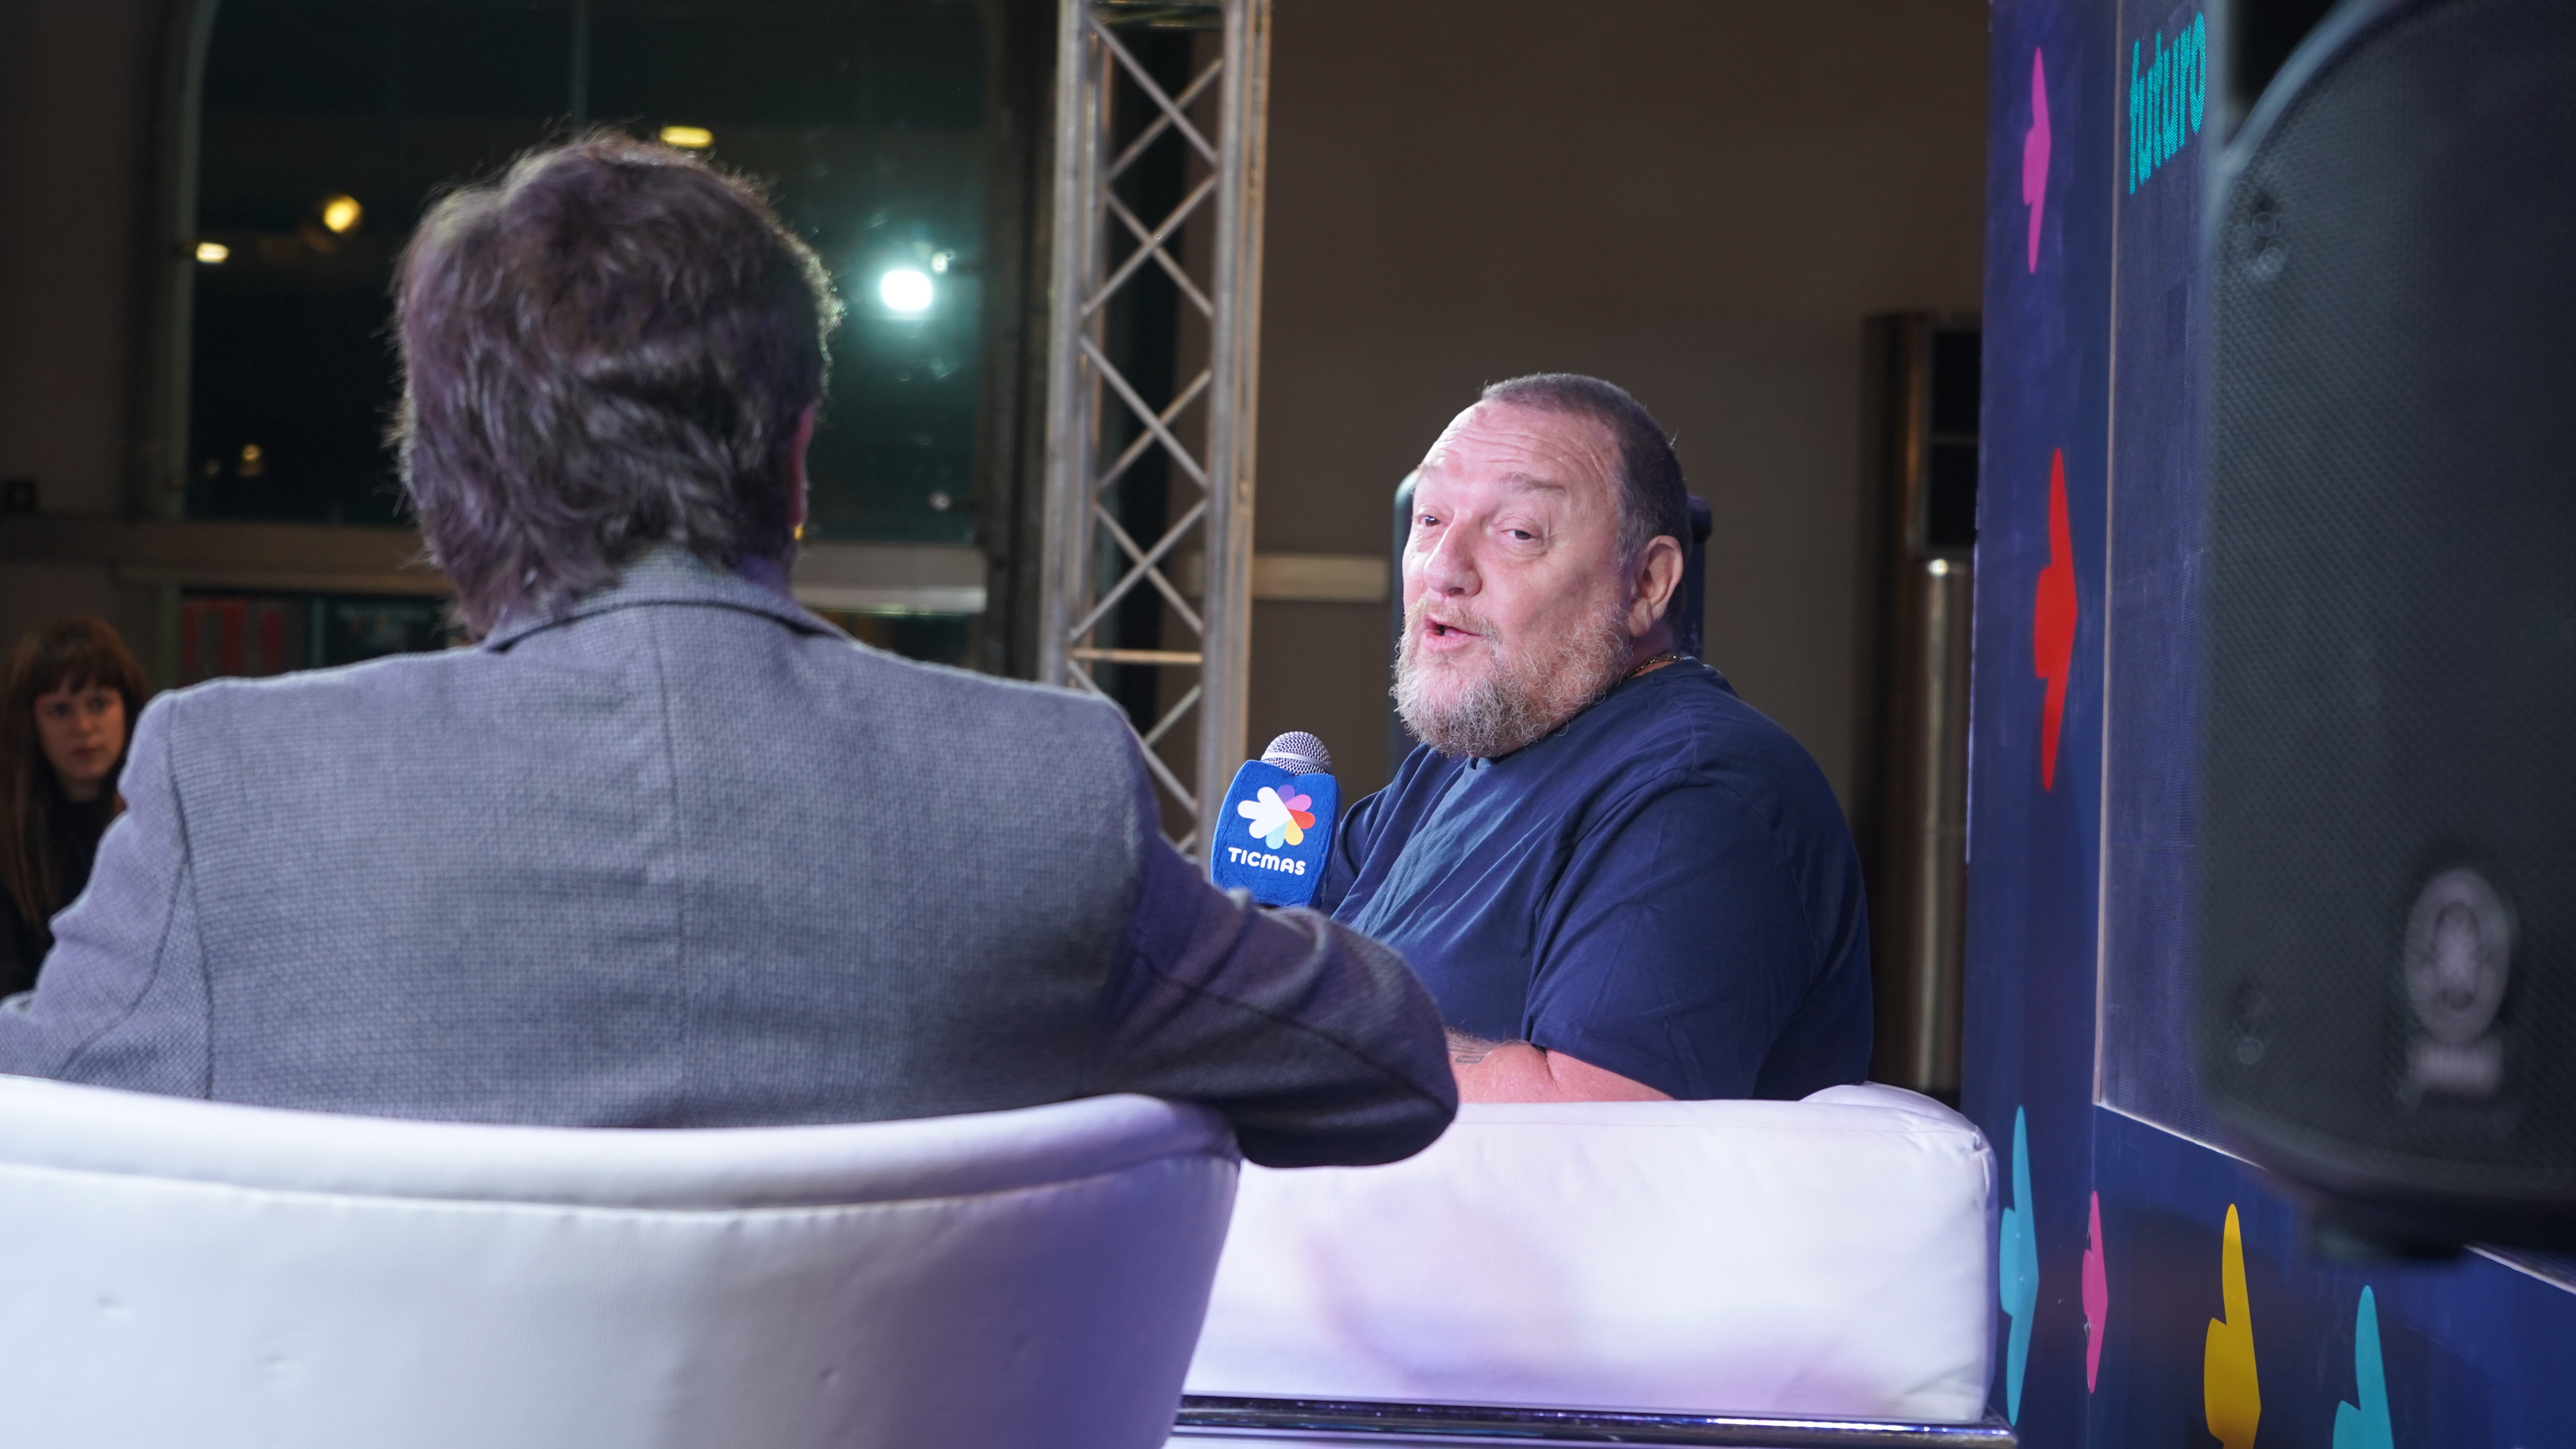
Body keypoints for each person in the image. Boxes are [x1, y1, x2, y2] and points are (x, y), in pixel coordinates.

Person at [0, 134, 1455, 1169]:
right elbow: (1389, 1068)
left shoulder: (234, 789)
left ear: (440, 488)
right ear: (800, 458)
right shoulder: (1038, 795)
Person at [1316, 374, 1871, 1104]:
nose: (1444, 571)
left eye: (1517, 533)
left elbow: (1595, 1131)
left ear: (1648, 583)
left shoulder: (1702, 794)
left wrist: (1307, 1037)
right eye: (1429, 521)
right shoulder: (1449, 771)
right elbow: (1262, 969)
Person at [0, 618, 148, 1000]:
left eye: (98, 704)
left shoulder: (160, 822)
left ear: (126, 709)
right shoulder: (11, 839)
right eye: (60, 711)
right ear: (31, 723)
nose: (83, 727)